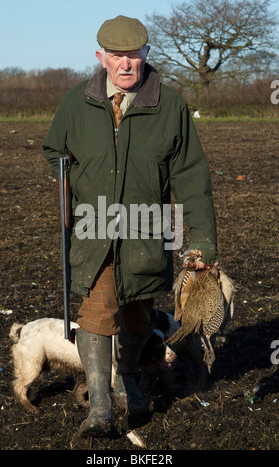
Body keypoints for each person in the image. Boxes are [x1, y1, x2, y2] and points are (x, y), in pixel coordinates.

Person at [42, 15, 218, 438]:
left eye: (133, 56)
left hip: (145, 233)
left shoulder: (169, 105)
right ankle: (100, 404)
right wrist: (70, 184)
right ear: (100, 57)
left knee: (138, 318)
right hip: (92, 230)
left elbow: (191, 176)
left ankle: (125, 378)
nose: (125, 65)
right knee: (96, 315)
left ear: (146, 55)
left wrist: (205, 240)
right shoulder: (75, 102)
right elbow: (54, 150)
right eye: (116, 56)